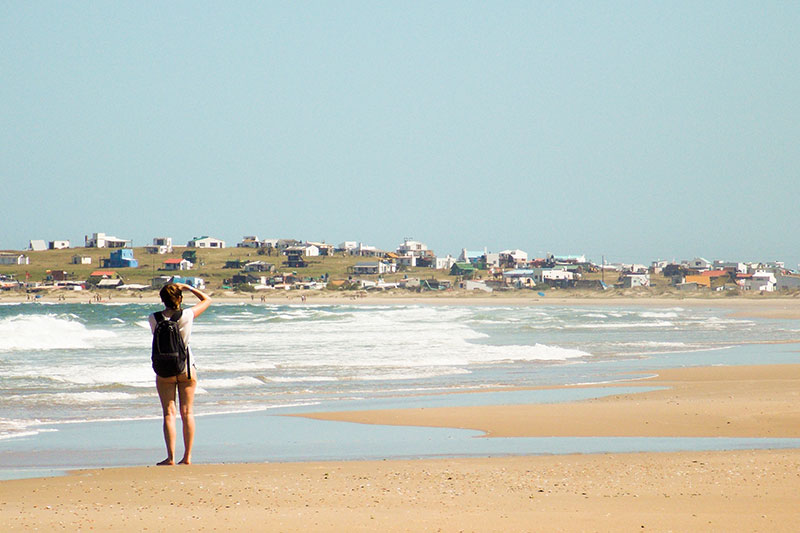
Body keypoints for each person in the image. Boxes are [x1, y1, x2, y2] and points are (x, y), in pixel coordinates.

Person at [148, 282, 211, 465]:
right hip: (186, 368)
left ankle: (170, 457)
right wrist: (189, 288)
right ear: (179, 298)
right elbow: (207, 300)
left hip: (164, 369)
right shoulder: (187, 315)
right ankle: (188, 457)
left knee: (169, 413)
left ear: (162, 299)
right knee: (187, 412)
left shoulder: (153, 318)